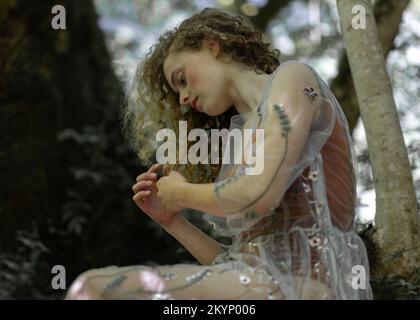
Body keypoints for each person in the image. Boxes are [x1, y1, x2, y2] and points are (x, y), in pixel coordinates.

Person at [66, 7, 372, 300]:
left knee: (93, 289)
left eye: (182, 78)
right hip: (263, 288)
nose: (183, 99)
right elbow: (237, 265)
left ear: (212, 46)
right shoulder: (241, 141)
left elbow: (258, 196)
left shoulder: (293, 78)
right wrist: (174, 222)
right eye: (177, 93)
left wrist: (184, 193)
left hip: (309, 288)